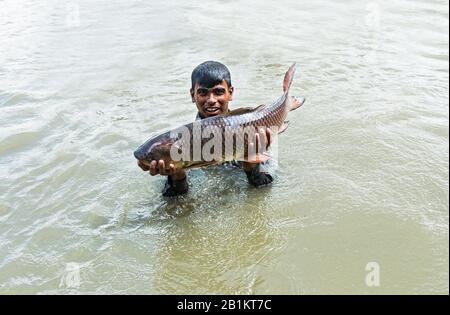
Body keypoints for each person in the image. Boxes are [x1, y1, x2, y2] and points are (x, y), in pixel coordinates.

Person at [137, 61, 275, 196]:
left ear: (230, 93)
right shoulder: (180, 142)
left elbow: (264, 190)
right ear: (193, 95)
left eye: (218, 92)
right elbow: (175, 201)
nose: (211, 100)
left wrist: (251, 166)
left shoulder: (255, 131)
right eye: (203, 93)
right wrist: (177, 175)